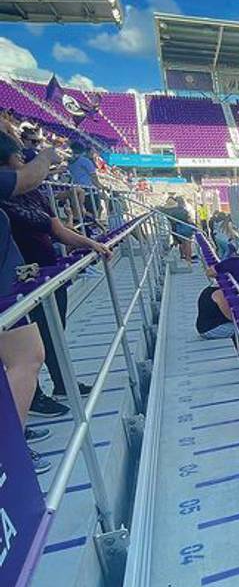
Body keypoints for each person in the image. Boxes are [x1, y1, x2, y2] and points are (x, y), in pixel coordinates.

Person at [1, 132, 110, 417]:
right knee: (26, 350)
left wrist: (90, 243)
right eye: (20, 156)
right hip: (18, 281)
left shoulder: (33, 194)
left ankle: (61, 383)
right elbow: (30, 182)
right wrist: (45, 157)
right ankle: (31, 402)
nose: (24, 160)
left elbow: (56, 227)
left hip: (47, 273)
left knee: (52, 333)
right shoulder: (10, 193)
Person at [0, 131, 68, 473]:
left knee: (26, 357)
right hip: (9, 285)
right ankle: (9, 452)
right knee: (28, 356)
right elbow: (28, 179)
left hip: (16, 280)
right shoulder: (17, 188)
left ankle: (16, 438)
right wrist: (47, 156)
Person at [165, 195, 196, 263]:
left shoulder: (170, 211)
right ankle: (188, 259)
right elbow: (189, 220)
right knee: (188, 244)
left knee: (182, 243)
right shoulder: (183, 210)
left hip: (177, 229)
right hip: (185, 228)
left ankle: (183, 256)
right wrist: (195, 227)